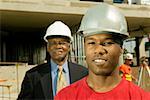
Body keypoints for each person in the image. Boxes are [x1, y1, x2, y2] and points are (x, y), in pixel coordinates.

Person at [55, 3, 150, 100]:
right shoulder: (65, 97)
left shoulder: (141, 97)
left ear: (121, 48)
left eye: (108, 43)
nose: (98, 50)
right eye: (91, 43)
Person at [17, 21, 88, 99]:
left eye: (62, 43)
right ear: (47, 47)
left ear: (69, 46)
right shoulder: (33, 76)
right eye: (53, 43)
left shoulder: (83, 74)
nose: (57, 46)